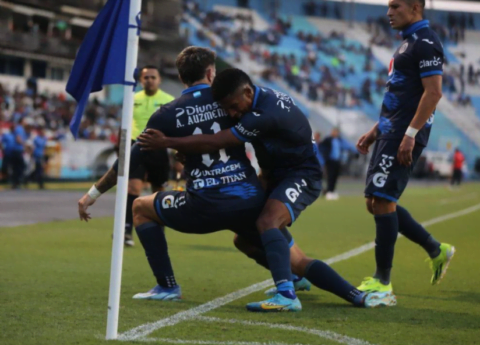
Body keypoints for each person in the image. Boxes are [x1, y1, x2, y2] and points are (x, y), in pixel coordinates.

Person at [138, 67, 396, 310]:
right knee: (245, 241)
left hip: (301, 176)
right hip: (275, 176)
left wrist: (168, 141)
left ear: (247, 93)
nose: (231, 114)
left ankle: (286, 295)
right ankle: (349, 295)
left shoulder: (264, 114)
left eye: (233, 107)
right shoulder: (256, 99)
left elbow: (219, 140)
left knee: (268, 222)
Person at [355, 0, 455, 297]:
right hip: (390, 131)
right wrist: (375, 131)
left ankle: (382, 282)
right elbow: (399, 94)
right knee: (374, 202)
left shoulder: (426, 43)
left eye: (395, 6)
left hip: (404, 134)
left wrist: (410, 134)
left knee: (383, 202)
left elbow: (433, 92)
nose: (388, 12)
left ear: (414, 7)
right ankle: (436, 249)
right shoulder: (407, 44)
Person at [122, 65, 175, 247]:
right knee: (132, 188)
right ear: (141, 80)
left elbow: (175, 129)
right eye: (146, 77)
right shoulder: (132, 99)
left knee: (158, 192)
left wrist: (177, 154)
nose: (149, 80)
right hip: (136, 145)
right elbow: (125, 124)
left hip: (159, 149)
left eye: (153, 77)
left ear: (159, 80)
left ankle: (159, 231)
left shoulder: (169, 100)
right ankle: (127, 231)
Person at [320, 128, 357, 200]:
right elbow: (322, 148)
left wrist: (356, 151)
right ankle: (329, 191)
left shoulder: (340, 140)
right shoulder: (328, 140)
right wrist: (325, 157)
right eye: (334, 132)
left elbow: (348, 146)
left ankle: (333, 191)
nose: (335, 133)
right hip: (330, 161)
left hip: (337, 161)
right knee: (330, 176)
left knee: (335, 176)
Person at [11, 118, 28, 189]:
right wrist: (24, 144)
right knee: (22, 166)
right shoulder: (19, 129)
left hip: (16, 150)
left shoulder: (19, 129)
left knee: (17, 167)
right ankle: (18, 181)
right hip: (17, 150)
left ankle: (15, 183)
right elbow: (18, 139)